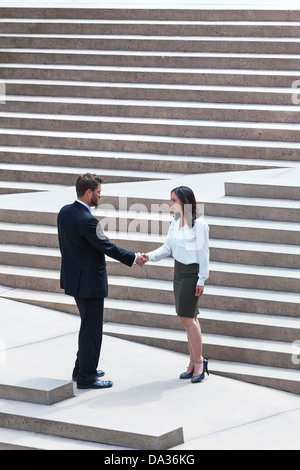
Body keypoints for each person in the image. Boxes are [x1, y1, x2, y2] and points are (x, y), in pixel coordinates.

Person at [57, 173, 145, 390]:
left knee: (87, 327)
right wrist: (134, 257)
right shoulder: (88, 221)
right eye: (98, 192)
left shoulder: (65, 212)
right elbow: (108, 247)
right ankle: (87, 377)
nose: (99, 195)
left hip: (75, 281)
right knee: (92, 331)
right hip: (89, 284)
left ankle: (81, 369)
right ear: (88, 192)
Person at [142, 186, 210, 383]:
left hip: (191, 274)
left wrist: (201, 279)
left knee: (189, 319)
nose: (170, 204)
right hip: (178, 272)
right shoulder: (175, 223)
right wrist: (149, 256)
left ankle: (198, 362)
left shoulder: (200, 225)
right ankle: (193, 362)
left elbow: (204, 254)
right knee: (186, 318)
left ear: (184, 202)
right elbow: (167, 247)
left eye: (174, 200)